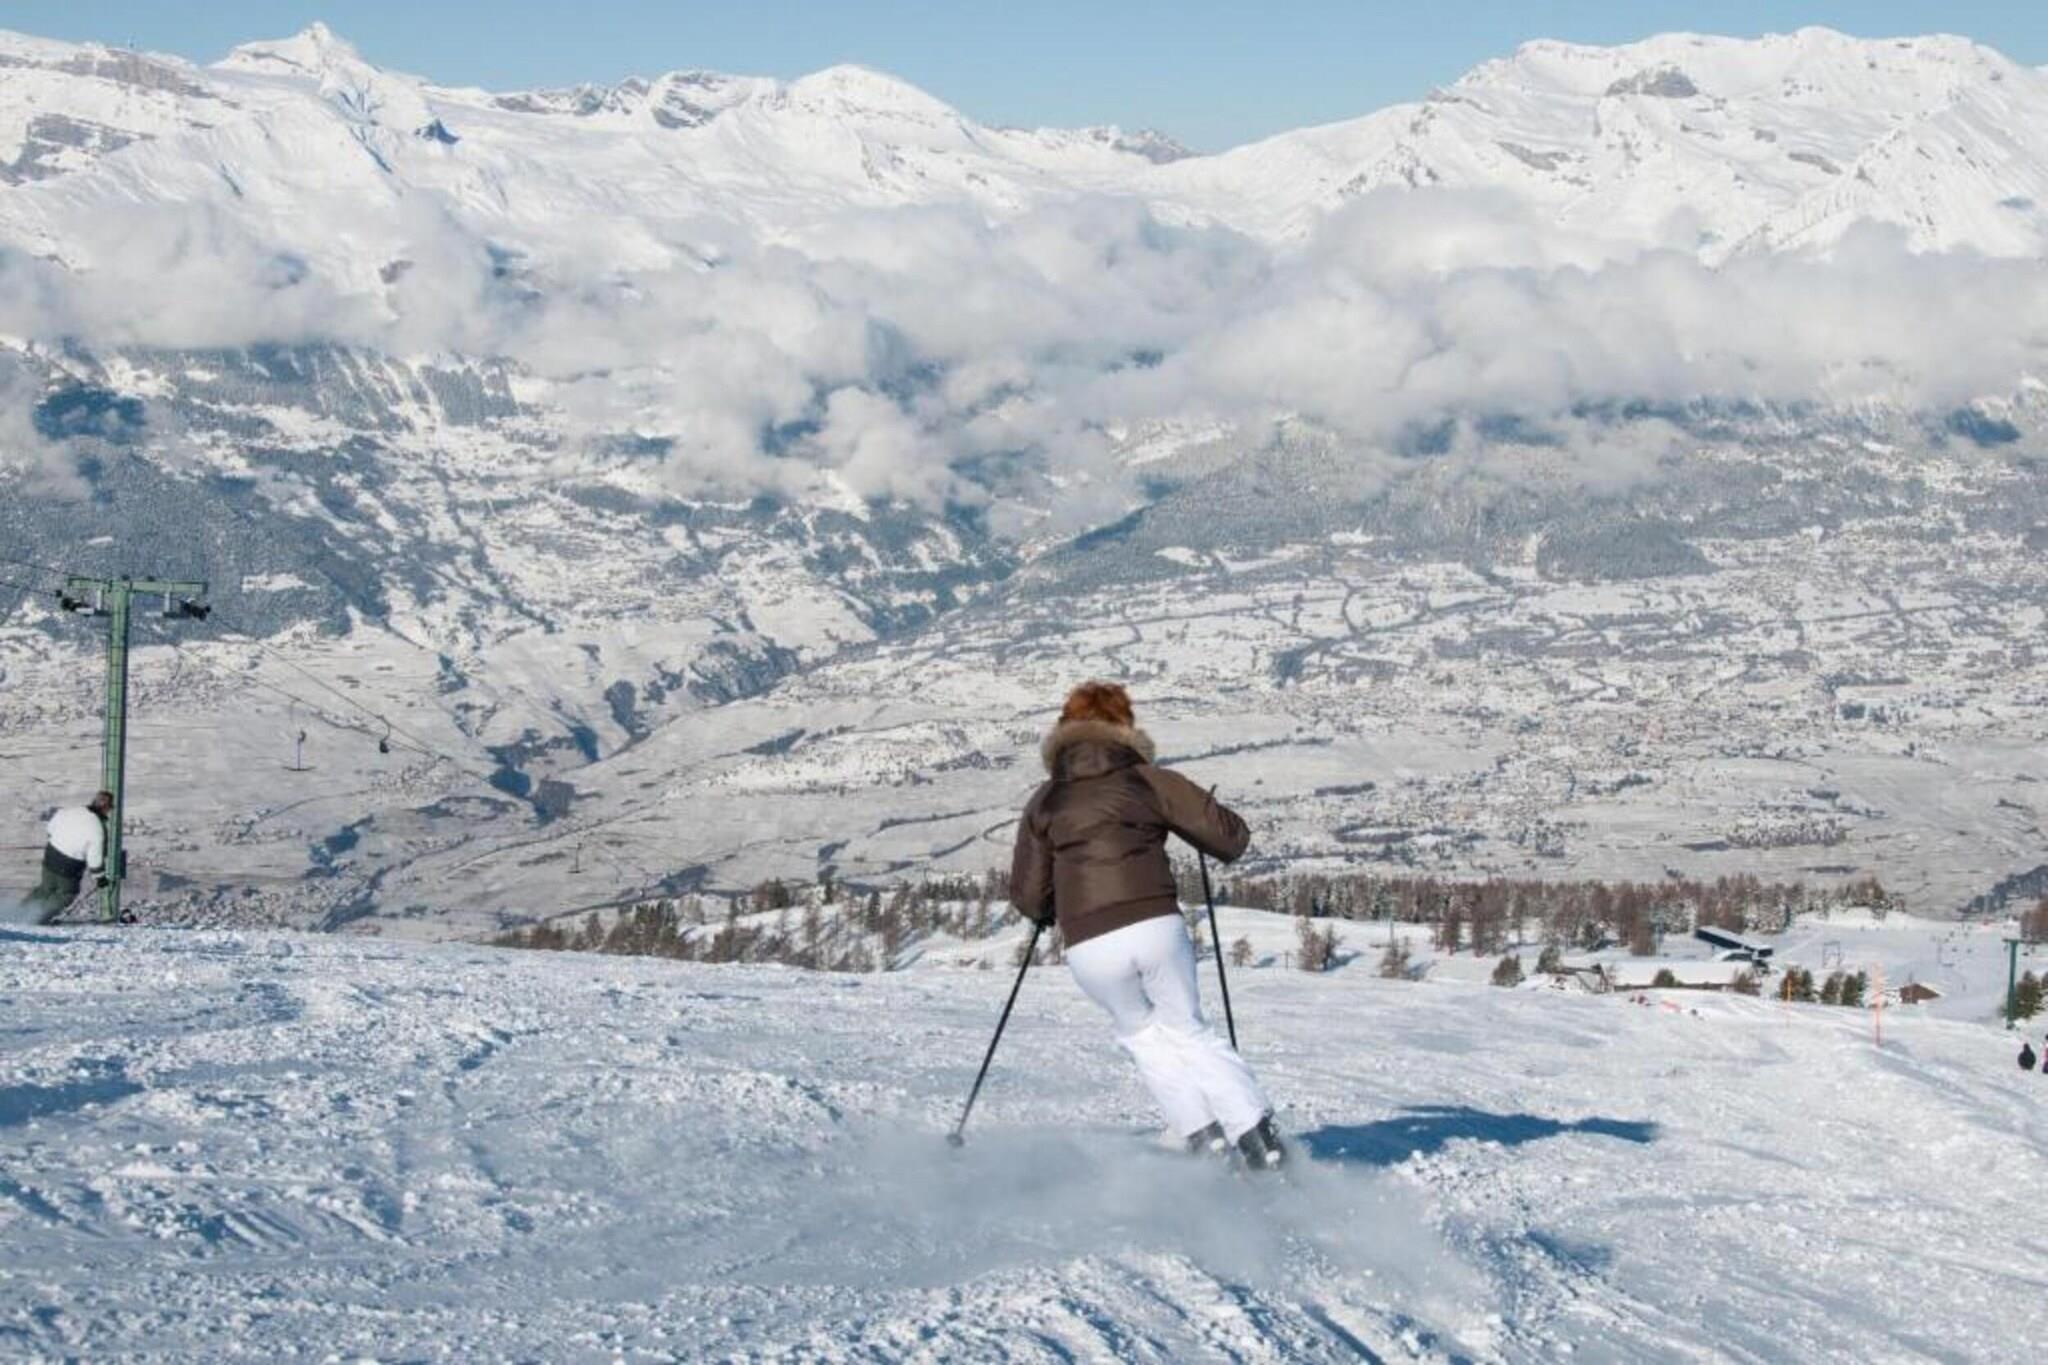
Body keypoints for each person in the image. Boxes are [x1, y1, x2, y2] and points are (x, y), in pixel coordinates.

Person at [1009, 681, 1287, 1170]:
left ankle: (1204, 1139)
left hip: (1089, 944)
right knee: (1187, 1029)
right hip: (1154, 923)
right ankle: (1259, 1141)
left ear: (1064, 731)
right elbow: (1231, 839)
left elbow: (1030, 898)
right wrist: (1201, 809)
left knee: (1141, 1035)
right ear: (1125, 726)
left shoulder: (1045, 800)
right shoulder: (1148, 780)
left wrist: (1053, 905)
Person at [13, 791, 112, 926]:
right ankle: (38, 920)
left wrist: (56, 841)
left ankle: (18, 914)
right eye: (109, 808)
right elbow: (95, 856)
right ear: (105, 808)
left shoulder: (72, 811)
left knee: (45, 889)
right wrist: (100, 877)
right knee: (66, 894)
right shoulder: (97, 828)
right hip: (69, 864)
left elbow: (51, 827)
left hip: (51, 855)